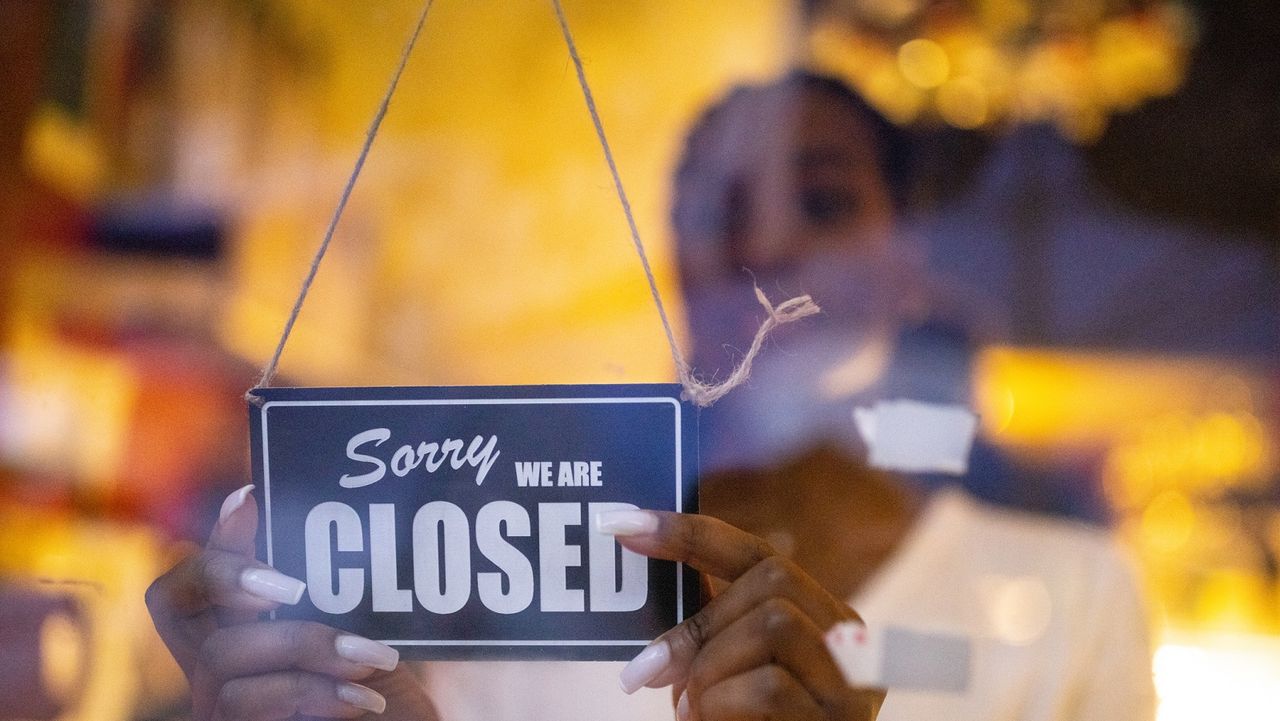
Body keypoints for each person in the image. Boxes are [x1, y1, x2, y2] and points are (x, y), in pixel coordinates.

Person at [146, 72, 1155, 721]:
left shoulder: (1067, 594)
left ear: (907, 257)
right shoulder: (532, 569)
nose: (762, 248)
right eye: (718, 208)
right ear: (672, 259)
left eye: (824, 200)